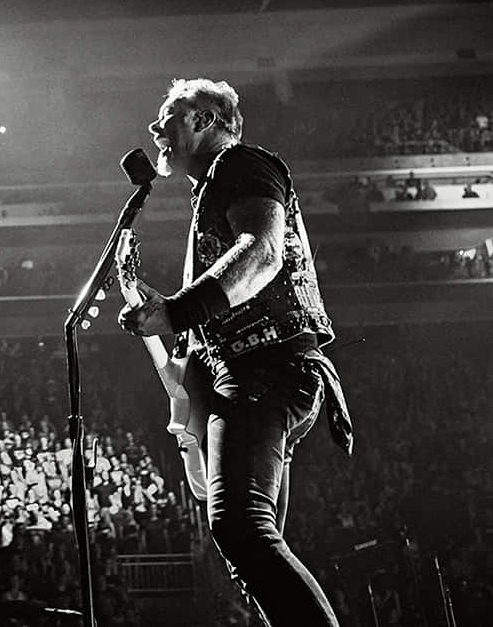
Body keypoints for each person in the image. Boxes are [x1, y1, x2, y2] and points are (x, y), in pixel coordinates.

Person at [119, 78, 353, 626]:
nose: (155, 130)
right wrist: (168, 317)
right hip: (248, 372)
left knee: (239, 527)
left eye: (167, 117)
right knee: (251, 555)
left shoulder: (241, 164)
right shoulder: (211, 189)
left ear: (203, 120)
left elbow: (264, 253)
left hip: (262, 368)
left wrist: (176, 311)